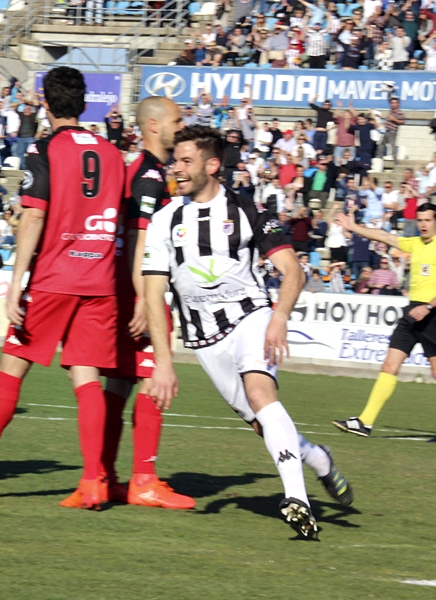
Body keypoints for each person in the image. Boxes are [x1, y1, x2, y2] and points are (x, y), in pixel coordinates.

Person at [143, 125, 350, 541]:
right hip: (203, 340)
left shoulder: (247, 210)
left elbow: (293, 270)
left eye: (186, 161)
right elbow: (153, 294)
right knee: (261, 422)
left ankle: (297, 499)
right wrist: (163, 362)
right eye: (175, 160)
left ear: (212, 165)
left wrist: (278, 316)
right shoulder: (164, 220)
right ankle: (316, 457)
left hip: (250, 318)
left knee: (261, 393)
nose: (176, 169)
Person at [0, 67, 127, 510]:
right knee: (87, 379)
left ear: (44, 103)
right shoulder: (114, 154)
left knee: (12, 368)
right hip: (99, 281)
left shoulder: (45, 150)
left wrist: (16, 282)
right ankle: (94, 480)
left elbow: (35, 215)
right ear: (85, 103)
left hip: (55, 277)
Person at [83, 96, 196, 510]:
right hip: (138, 292)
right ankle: (143, 479)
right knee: (153, 382)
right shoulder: (148, 175)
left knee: (121, 382)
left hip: (125, 291)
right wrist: (143, 301)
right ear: (153, 125)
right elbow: (138, 239)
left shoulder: (143, 171)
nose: (182, 126)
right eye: (177, 120)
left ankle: (107, 475)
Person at [333, 201, 436, 444]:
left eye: (427, 220)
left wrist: (428, 307)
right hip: (411, 311)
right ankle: (365, 422)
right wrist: (353, 226)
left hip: (430, 314)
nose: (423, 224)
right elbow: (383, 235)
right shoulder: (415, 243)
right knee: (389, 366)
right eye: (420, 220)